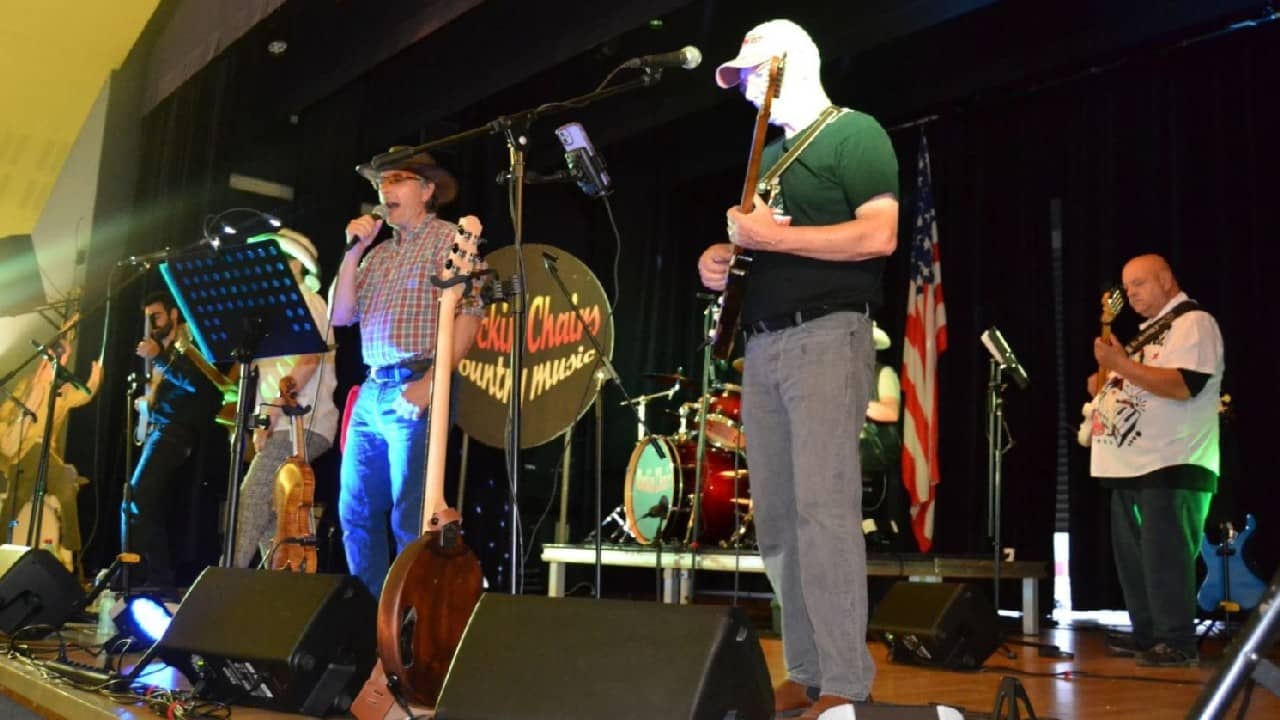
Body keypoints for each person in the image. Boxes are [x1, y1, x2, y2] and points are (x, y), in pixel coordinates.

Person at [698, 19, 899, 719]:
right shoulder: (771, 157)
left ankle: (847, 678)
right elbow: (762, 254)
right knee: (778, 520)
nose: (749, 92)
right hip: (763, 344)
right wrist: (723, 263)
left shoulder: (855, 133)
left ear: (792, 64)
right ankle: (809, 670)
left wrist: (770, 236)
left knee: (823, 513)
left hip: (827, 337)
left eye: (756, 75)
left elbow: (879, 234)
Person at [331, 148, 484, 596]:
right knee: (355, 512)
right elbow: (341, 315)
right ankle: (373, 622)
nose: (385, 189)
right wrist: (353, 251)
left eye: (397, 179)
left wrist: (433, 382)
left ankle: (409, 623)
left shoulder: (449, 239)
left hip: (417, 382)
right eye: (382, 182)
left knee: (409, 514)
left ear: (427, 190)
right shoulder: (376, 256)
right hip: (373, 391)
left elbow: (471, 313)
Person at [1087, 253, 1223, 668]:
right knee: (1135, 561)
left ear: (1165, 279)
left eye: (1138, 285)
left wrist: (1122, 365)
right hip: (1131, 466)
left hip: (1173, 461)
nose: (1131, 295)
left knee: (1165, 557)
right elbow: (1100, 386)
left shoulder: (1193, 324)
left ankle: (1176, 640)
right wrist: (1110, 370)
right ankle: (1149, 637)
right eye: (1127, 289)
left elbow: (1185, 384)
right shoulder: (1147, 335)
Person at [231, 228, 338, 569]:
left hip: (302, 421)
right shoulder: (275, 312)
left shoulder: (308, 301)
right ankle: (277, 584)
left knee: (251, 501)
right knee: (272, 513)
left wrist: (274, 412)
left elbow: (310, 358)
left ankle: (225, 583)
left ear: (295, 265)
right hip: (280, 422)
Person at [127, 291, 225, 590]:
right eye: (147, 320)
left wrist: (161, 356)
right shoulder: (164, 351)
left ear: (172, 315)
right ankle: (156, 577)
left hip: (177, 431)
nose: (151, 325)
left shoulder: (188, 345)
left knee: (136, 497)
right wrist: (148, 403)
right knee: (146, 504)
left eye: (156, 317)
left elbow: (203, 386)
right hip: (159, 428)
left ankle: (131, 571)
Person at [0, 314, 102, 559]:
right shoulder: (28, 384)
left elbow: (84, 395)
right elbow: (5, 417)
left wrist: (96, 373)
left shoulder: (62, 394)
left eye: (64, 356)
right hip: (22, 455)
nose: (60, 359)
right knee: (20, 497)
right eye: (57, 354)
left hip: (46, 459)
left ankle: (72, 548)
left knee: (65, 487)